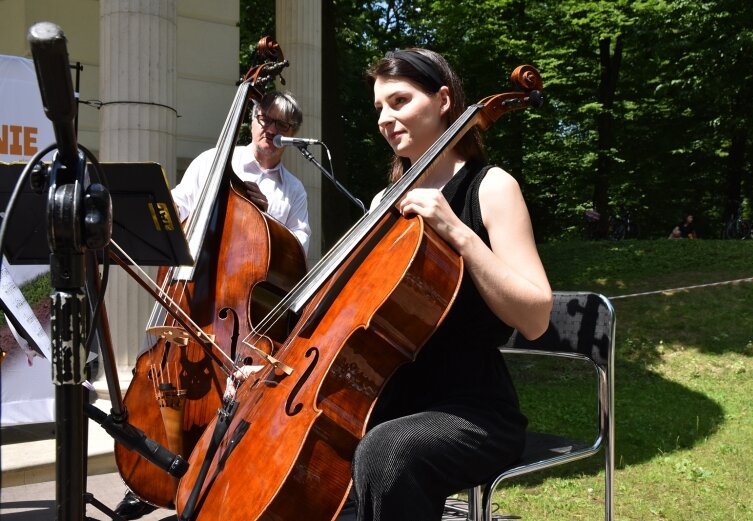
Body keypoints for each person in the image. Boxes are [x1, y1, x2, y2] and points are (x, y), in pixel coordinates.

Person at [351, 49, 553, 520]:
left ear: (443, 100)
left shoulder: (492, 187)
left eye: (399, 101)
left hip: (473, 410)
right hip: (392, 398)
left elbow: (536, 315)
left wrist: (457, 231)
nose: (386, 118)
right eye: (379, 107)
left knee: (386, 453)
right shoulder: (386, 201)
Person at [113, 90, 311, 520]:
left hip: (238, 316)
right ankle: (148, 482)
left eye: (281, 126)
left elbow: (300, 249)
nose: (269, 130)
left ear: (293, 134)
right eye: (264, 119)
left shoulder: (292, 190)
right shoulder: (212, 161)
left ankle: (215, 480)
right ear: (253, 117)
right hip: (191, 299)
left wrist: (267, 222)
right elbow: (177, 210)